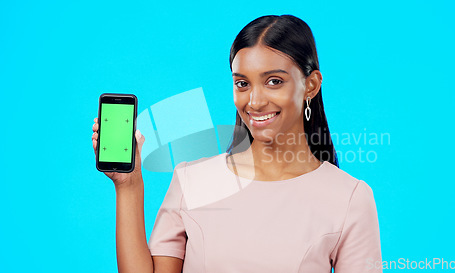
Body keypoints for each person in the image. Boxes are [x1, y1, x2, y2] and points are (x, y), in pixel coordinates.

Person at [92, 14, 382, 273]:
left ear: (311, 85)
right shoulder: (191, 180)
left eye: (274, 81)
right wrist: (128, 185)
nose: (254, 102)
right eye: (243, 83)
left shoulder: (349, 199)